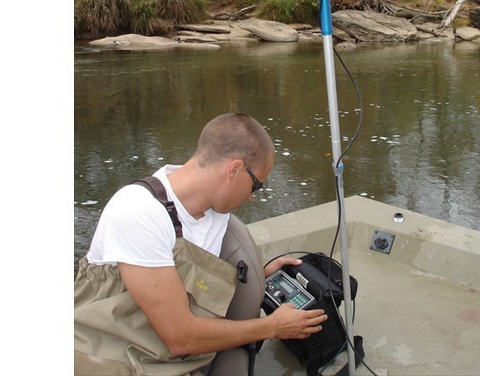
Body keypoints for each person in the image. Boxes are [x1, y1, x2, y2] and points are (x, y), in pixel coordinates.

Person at [74, 112, 327, 375]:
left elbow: (184, 282)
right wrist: (273, 326)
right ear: (234, 169)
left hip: (166, 355)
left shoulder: (214, 213)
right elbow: (180, 337)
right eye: (257, 185)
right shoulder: (138, 212)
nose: (252, 197)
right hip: (112, 354)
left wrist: (259, 277)